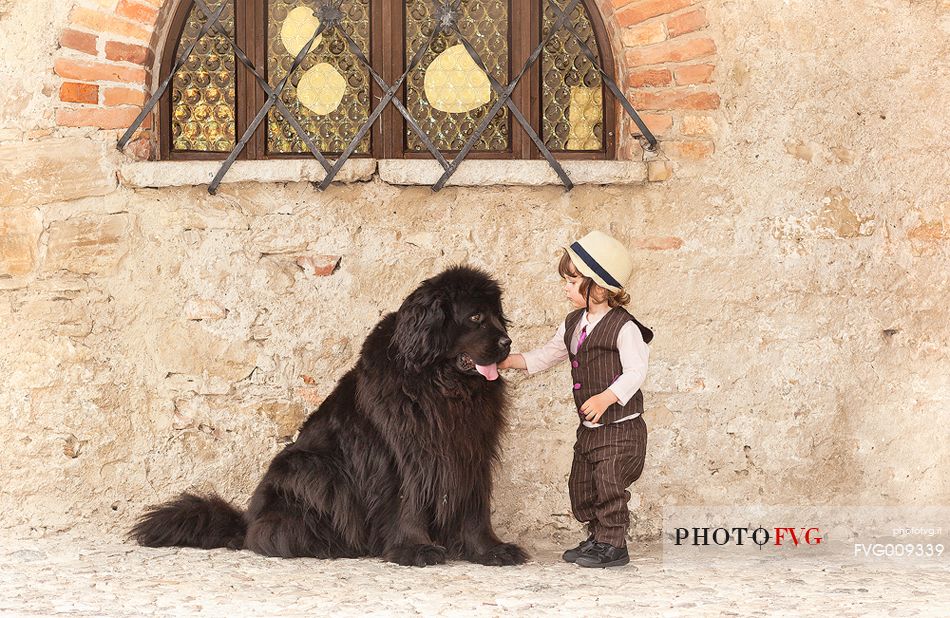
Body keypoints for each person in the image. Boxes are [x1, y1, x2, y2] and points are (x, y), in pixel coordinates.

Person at [499, 231, 653, 568]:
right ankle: (597, 538)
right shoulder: (573, 323)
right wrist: (512, 361)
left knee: (610, 483)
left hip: (620, 428)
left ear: (598, 287)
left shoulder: (624, 328)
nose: (566, 288)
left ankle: (613, 546)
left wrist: (606, 398)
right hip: (590, 430)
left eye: (572, 281)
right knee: (583, 486)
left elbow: (635, 372)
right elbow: (549, 355)